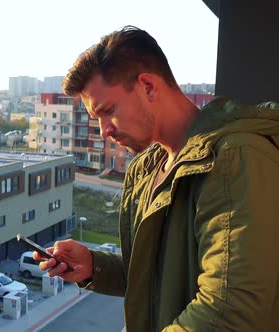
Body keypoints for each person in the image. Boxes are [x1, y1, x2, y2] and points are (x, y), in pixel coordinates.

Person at [35, 25, 279, 331]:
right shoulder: (146, 169)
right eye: (95, 119)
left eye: (108, 110)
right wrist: (94, 266)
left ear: (148, 86)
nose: (104, 131)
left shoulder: (233, 158)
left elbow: (232, 309)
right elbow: (158, 275)